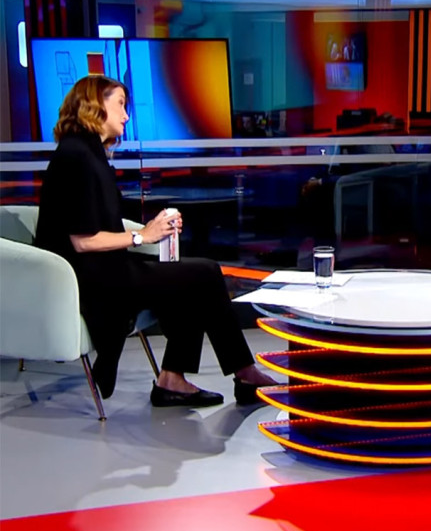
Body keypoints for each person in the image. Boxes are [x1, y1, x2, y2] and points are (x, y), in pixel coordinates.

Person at [35, 75, 277, 407]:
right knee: (204, 274)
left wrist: (154, 227)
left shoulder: (89, 153)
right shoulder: (76, 157)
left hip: (104, 268)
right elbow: (83, 241)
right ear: (94, 104)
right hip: (87, 280)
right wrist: (142, 236)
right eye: (120, 104)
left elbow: (105, 221)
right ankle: (233, 374)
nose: (126, 115)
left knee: (193, 275)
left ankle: (178, 379)